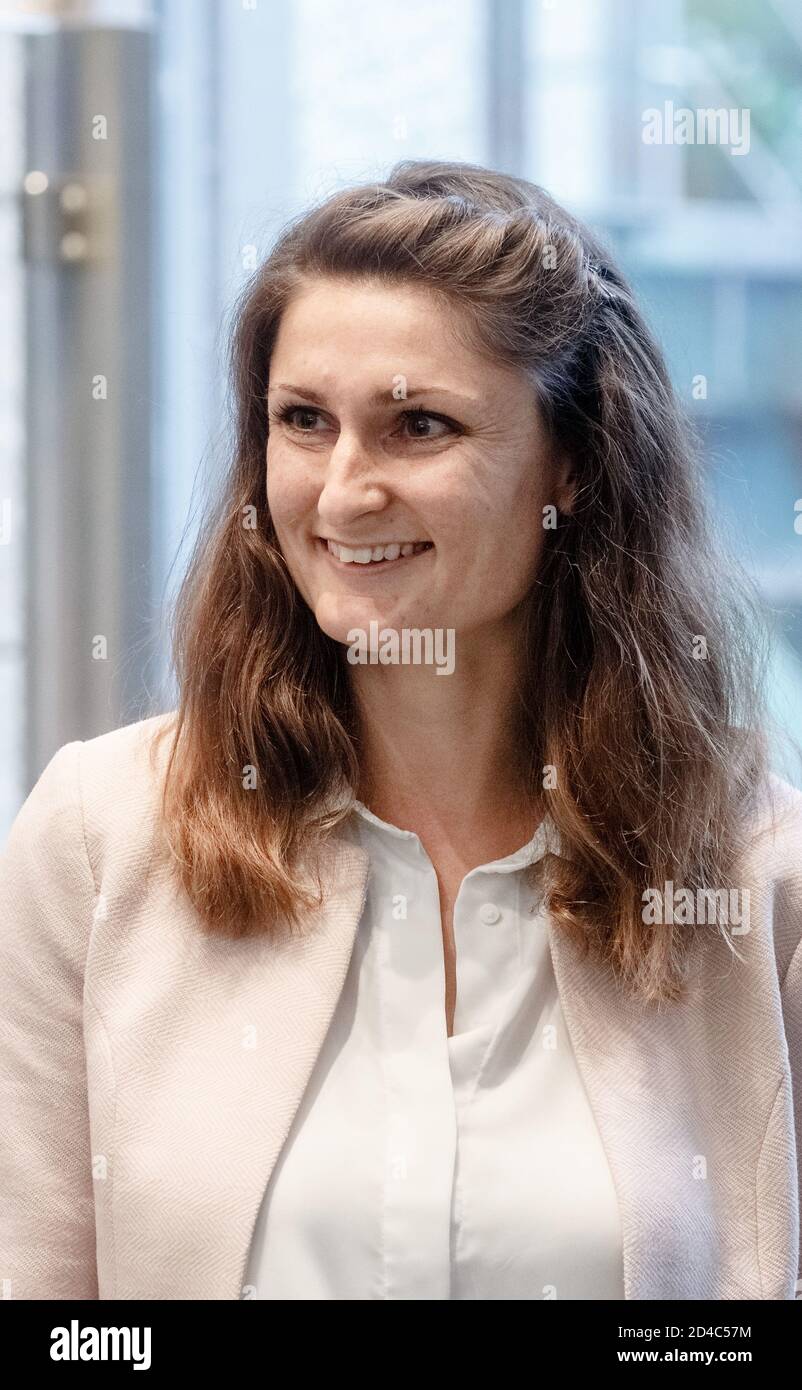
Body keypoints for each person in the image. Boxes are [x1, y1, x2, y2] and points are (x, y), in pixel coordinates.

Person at [2, 159, 801, 1302]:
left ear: (570, 462)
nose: (340, 494)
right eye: (301, 422)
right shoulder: (94, 840)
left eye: (417, 424)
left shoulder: (762, 878)